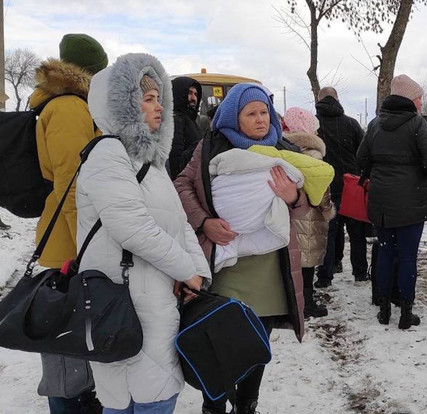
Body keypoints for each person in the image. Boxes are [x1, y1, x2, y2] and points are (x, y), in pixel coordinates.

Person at [79, 53, 210, 413]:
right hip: (124, 307)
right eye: (148, 100)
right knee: (136, 401)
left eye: (159, 99)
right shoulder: (108, 154)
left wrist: (199, 276)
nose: (160, 109)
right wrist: (188, 272)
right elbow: (133, 228)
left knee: (157, 394)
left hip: (153, 304)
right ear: (121, 106)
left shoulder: (150, 163)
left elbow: (180, 225)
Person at [175, 83, 309, 414]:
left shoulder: (283, 147)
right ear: (234, 117)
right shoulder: (209, 147)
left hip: (269, 267)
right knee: (220, 336)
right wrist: (205, 221)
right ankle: (215, 404)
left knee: (256, 340)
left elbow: (316, 201)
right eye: (251, 113)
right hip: (225, 263)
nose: (261, 119)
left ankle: (247, 405)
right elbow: (181, 185)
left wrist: (293, 197)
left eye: (264, 111)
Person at [29, 32, 108, 414]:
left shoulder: (69, 105)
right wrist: (86, 246)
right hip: (68, 244)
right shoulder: (69, 109)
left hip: (70, 239)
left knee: (72, 347)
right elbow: (72, 183)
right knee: (64, 356)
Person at [357, 74, 427, 330]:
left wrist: (380, 172)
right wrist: (420, 177)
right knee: (407, 257)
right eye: (419, 97)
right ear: (410, 98)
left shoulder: (374, 125)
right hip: (410, 203)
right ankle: (406, 312)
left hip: (381, 202)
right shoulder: (417, 124)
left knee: (385, 252)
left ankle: (383, 309)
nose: (421, 102)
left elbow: (361, 159)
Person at [283, 107, 334, 318]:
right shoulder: (313, 154)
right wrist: (328, 209)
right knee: (306, 263)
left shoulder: (282, 150)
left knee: (291, 260)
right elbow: (321, 189)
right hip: (309, 216)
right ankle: (305, 302)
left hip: (287, 215)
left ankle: (291, 300)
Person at [314, 86, 368, 287]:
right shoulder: (352, 124)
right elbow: (364, 154)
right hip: (352, 184)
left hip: (325, 185)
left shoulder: (314, 125)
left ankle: (325, 275)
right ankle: (360, 272)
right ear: (337, 99)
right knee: (357, 232)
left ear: (319, 100)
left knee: (329, 231)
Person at [169, 76, 203, 178]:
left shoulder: (189, 118)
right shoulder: (176, 119)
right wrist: (200, 146)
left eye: (196, 94)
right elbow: (176, 163)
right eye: (189, 93)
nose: (194, 98)